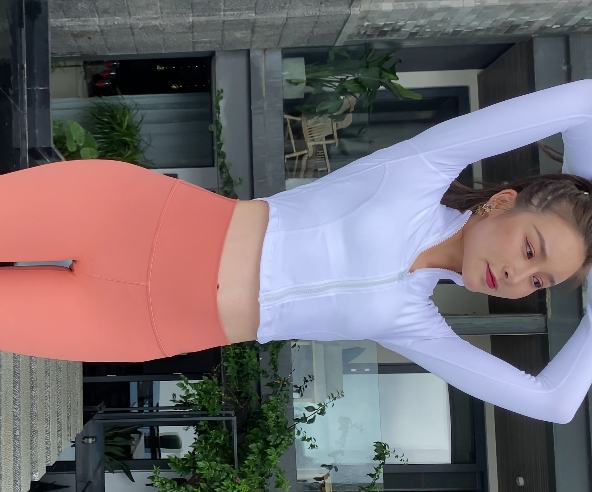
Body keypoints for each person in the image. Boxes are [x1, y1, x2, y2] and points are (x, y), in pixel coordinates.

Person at [1, 80, 592, 425]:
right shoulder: (419, 170)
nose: (519, 275)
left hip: (134, 324)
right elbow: (585, 103)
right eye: (531, 247)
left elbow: (555, 401)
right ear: (502, 202)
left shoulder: (416, 325)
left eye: (539, 282)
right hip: (125, 219)